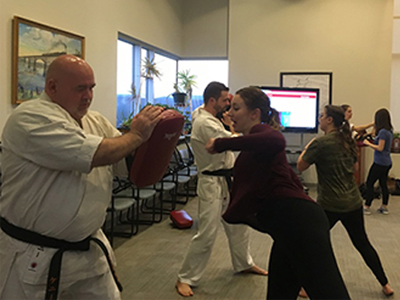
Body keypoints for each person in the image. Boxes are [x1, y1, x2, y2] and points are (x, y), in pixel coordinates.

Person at [0, 54, 163, 299]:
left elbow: (124, 161)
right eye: (80, 89)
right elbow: (98, 153)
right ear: (52, 87)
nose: (88, 96)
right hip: (34, 255)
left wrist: (159, 138)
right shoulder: (30, 117)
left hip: (90, 250)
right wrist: (138, 135)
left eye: (91, 88)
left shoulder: (94, 120)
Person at [205, 87, 350, 300]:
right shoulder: (253, 143)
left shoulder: (263, 133)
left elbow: (276, 140)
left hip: (300, 225)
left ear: (255, 114)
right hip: (288, 227)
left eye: (236, 108)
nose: (230, 112)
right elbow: (290, 180)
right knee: (279, 293)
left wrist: (221, 144)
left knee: (329, 294)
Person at [175, 82, 267, 297]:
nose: (229, 105)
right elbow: (235, 141)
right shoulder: (205, 122)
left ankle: (243, 263)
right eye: (226, 101)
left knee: (238, 225)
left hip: (227, 181)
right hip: (211, 183)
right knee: (207, 233)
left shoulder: (207, 116)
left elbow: (230, 135)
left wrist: (232, 127)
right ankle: (185, 277)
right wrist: (259, 135)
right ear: (212, 100)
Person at [297, 105, 394, 297]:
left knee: (312, 244)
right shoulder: (348, 141)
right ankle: (386, 284)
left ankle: (305, 286)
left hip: (329, 205)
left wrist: (308, 147)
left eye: (322, 116)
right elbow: (356, 168)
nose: (319, 119)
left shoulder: (320, 143)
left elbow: (300, 166)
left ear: (330, 120)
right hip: (352, 203)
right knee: (363, 244)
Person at [363, 108, 394, 215]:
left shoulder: (383, 132)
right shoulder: (389, 131)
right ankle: (384, 206)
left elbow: (380, 148)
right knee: (383, 184)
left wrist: (368, 143)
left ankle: (367, 205)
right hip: (387, 162)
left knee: (370, 183)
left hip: (379, 163)